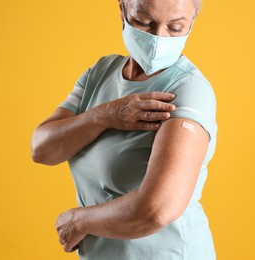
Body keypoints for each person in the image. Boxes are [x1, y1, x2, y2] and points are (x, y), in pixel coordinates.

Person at [31, 0, 217, 259]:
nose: (158, 38)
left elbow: (157, 209)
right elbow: (42, 149)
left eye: (175, 28)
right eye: (144, 22)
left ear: (192, 22)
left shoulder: (188, 90)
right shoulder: (100, 73)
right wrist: (106, 115)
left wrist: (78, 221)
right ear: (123, 11)